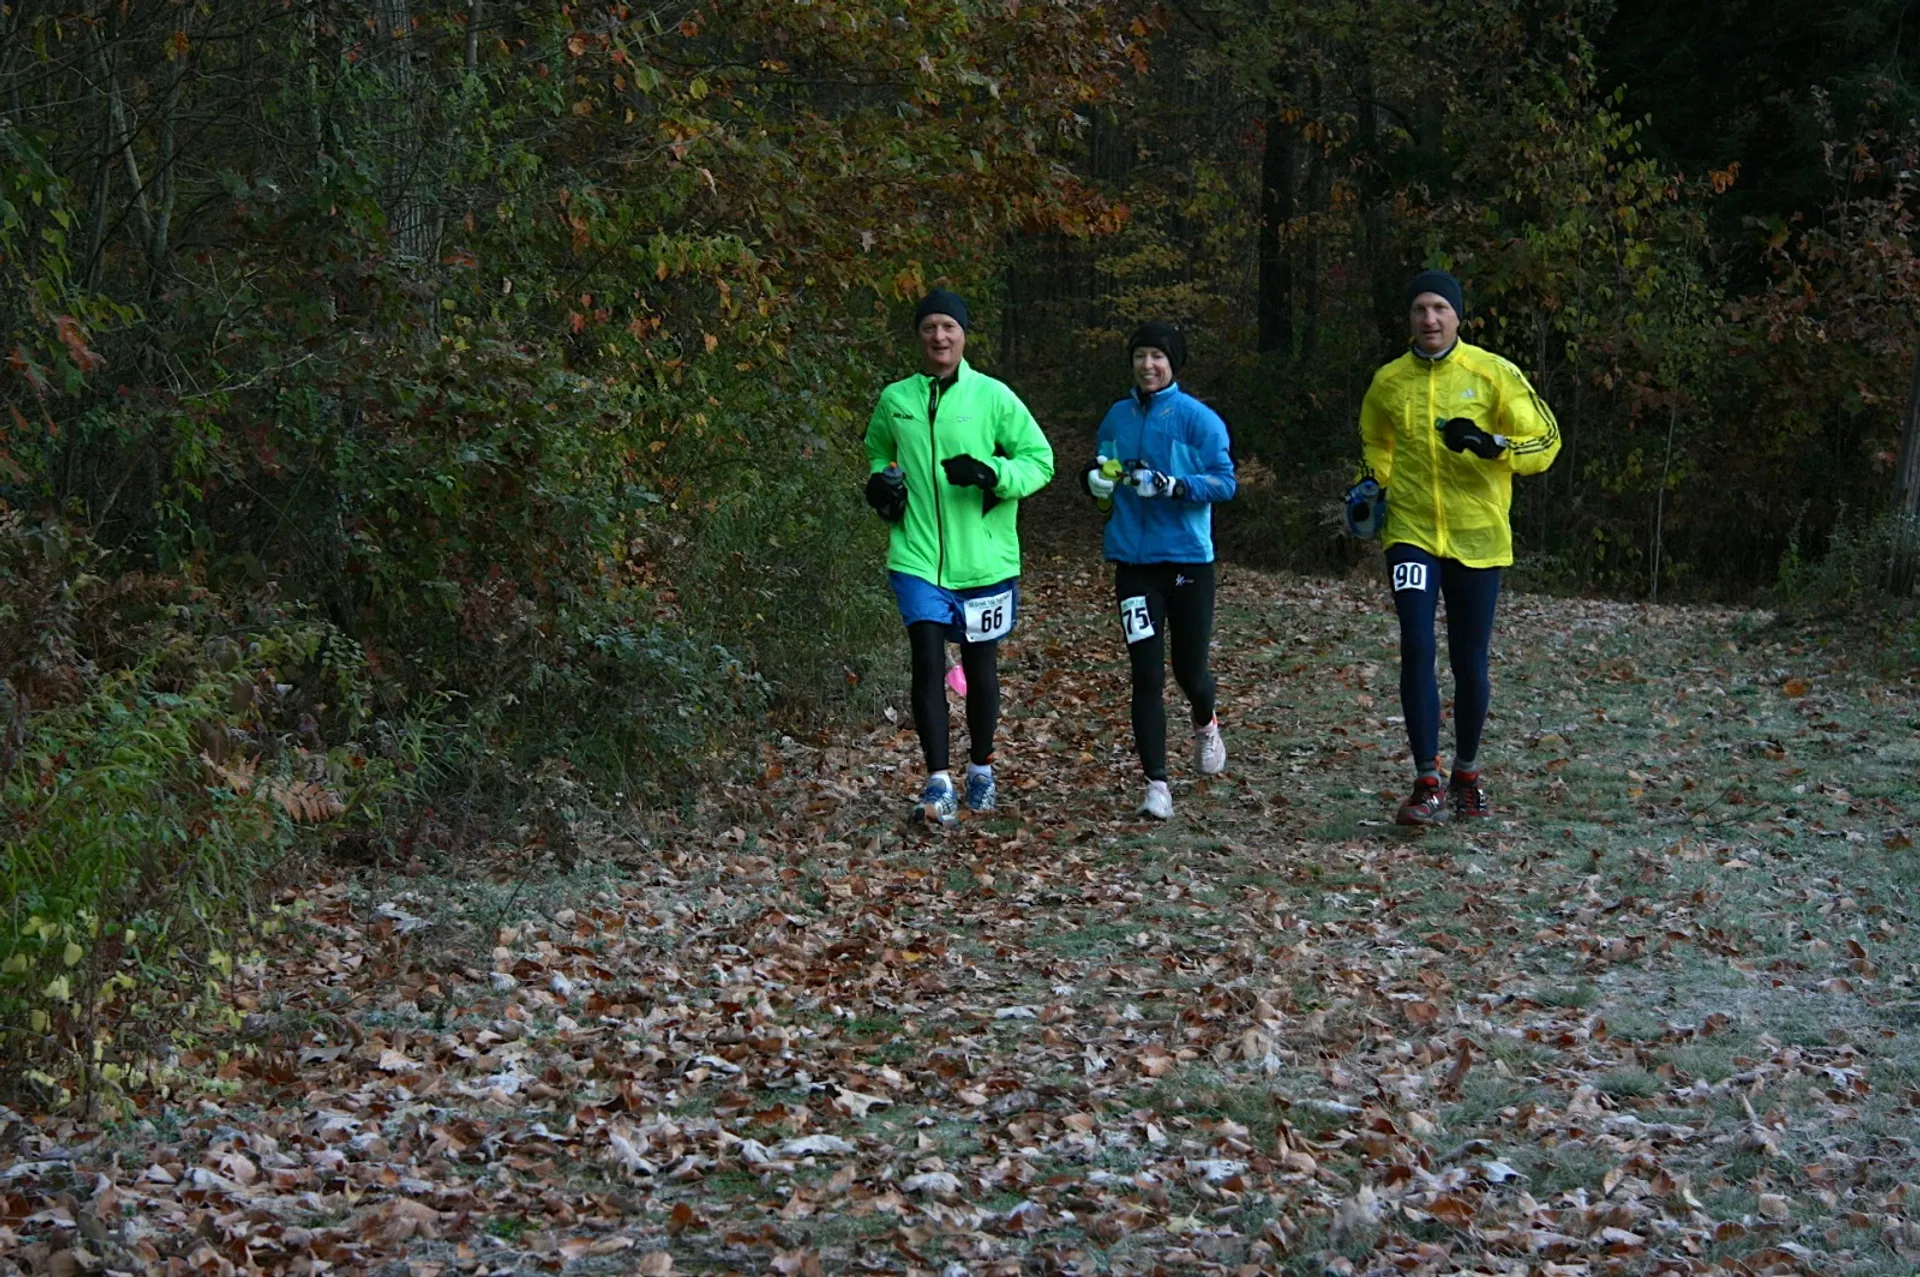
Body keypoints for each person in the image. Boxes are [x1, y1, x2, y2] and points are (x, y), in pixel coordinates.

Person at [1357, 269, 1561, 825]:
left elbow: (1546, 443)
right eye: (1420, 308)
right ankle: (1426, 782)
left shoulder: (1493, 373)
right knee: (1417, 645)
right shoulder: (1389, 381)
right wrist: (1374, 481)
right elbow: (1376, 438)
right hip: (1411, 534)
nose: (1429, 319)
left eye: (1440, 309)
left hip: (1478, 537)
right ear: (1409, 317)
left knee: (1470, 663)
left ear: (1457, 316)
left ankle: (1466, 773)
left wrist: (1491, 444)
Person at [863, 288, 1055, 825]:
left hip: (984, 562)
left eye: (948, 326)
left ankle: (982, 768)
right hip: (916, 555)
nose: (939, 336)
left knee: (979, 666)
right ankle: (938, 782)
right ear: (919, 337)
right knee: (925, 662)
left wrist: (994, 474)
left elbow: (1040, 462)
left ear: (963, 335)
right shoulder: (895, 398)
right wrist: (882, 483)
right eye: (929, 328)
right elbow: (877, 449)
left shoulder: (993, 397)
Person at [1081, 321, 1236, 820]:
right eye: (1140, 356)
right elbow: (1101, 465)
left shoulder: (1199, 420)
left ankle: (1206, 721)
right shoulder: (1117, 415)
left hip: (1189, 562)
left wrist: (1174, 485)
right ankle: (1156, 785)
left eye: (1157, 357)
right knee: (1145, 674)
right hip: (1134, 565)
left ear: (1173, 363)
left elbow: (1225, 483)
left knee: (1190, 671)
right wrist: (1093, 482)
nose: (1148, 365)